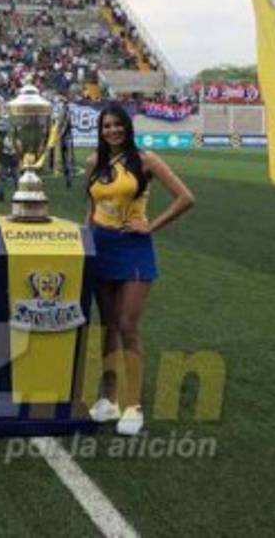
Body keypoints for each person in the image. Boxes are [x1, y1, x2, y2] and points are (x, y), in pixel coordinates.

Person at [86, 102, 194, 436]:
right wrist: (83, 239)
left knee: (127, 325)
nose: (112, 131)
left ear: (127, 128)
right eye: (106, 126)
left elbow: (185, 197)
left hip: (133, 249)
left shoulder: (145, 160)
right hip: (99, 247)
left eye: (118, 125)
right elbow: (91, 208)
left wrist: (152, 226)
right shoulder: (94, 162)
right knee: (107, 327)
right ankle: (109, 399)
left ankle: (133, 405)